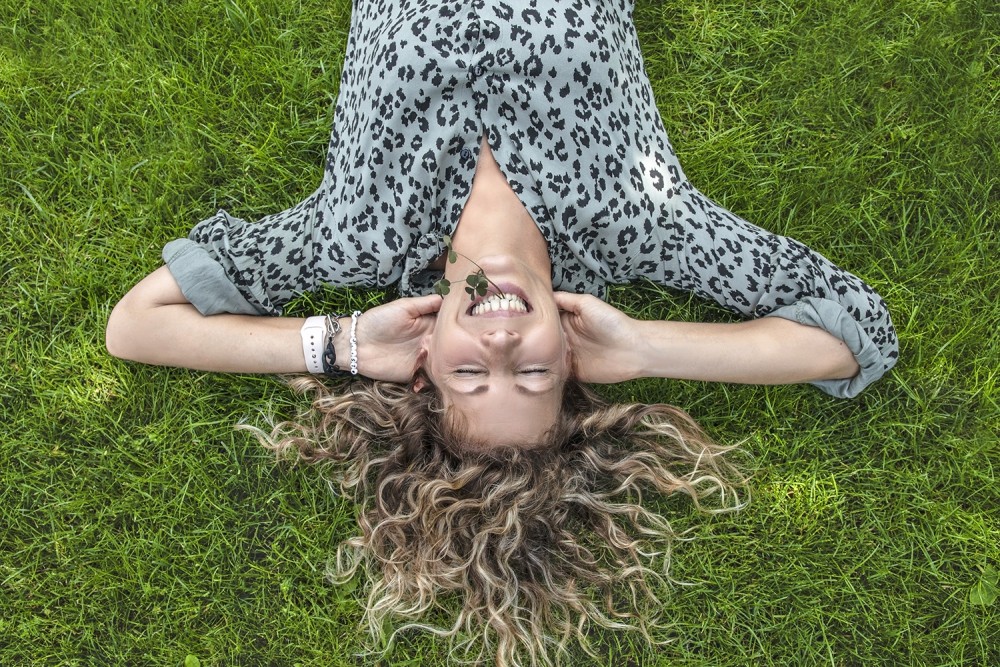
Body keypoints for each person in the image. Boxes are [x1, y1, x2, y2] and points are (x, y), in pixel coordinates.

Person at [106, 0, 898, 663]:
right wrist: (649, 347)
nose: (502, 349)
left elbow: (135, 326)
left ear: (423, 364)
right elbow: (856, 333)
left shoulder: (358, 233)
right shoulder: (641, 223)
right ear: (570, 359)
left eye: (470, 377)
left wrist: (341, 342)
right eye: (534, 377)